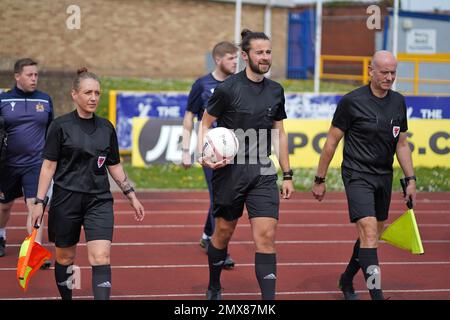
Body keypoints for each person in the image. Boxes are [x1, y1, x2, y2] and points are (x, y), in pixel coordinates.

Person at [31, 68, 145, 300]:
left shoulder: (106, 127)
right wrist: (39, 202)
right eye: (88, 93)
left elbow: (113, 164)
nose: (93, 98)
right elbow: (48, 166)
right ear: (75, 95)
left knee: (101, 257)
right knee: (65, 258)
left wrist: (130, 194)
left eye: (97, 93)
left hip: (99, 200)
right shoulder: (60, 126)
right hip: (66, 200)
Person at [198, 29, 294, 300]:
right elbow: (205, 124)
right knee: (223, 234)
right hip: (230, 172)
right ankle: (215, 285)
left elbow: (280, 133)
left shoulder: (276, 90)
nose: (265, 57)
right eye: (259, 52)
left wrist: (287, 174)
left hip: (263, 171)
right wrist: (203, 155)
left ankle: (268, 301)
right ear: (245, 55)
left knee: (265, 236)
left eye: (268, 52)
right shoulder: (228, 89)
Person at [312, 50, 416, 300]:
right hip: (357, 174)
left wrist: (410, 179)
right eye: (384, 72)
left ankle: (347, 279)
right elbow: (331, 143)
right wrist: (320, 179)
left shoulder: (398, 102)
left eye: (393, 73)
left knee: (371, 236)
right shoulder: (351, 101)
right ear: (371, 71)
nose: (389, 77)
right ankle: (376, 296)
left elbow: (401, 144)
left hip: (384, 176)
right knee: (369, 232)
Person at [181, 41, 238, 269]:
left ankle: (207, 235)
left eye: (237, 58)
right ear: (218, 59)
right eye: (231, 58)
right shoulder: (202, 85)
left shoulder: (238, 84)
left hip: (233, 151)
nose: (236, 62)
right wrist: (186, 150)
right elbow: (189, 117)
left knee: (224, 197)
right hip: (210, 151)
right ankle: (220, 250)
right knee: (219, 198)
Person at [0, 58, 53, 269]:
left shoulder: (45, 100)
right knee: (4, 207)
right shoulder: (3, 100)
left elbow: (51, 131)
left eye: (36, 75)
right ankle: (1, 235)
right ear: (17, 76)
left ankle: (35, 250)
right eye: (29, 75)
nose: (34, 78)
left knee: (35, 206)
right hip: (7, 165)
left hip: (35, 164)